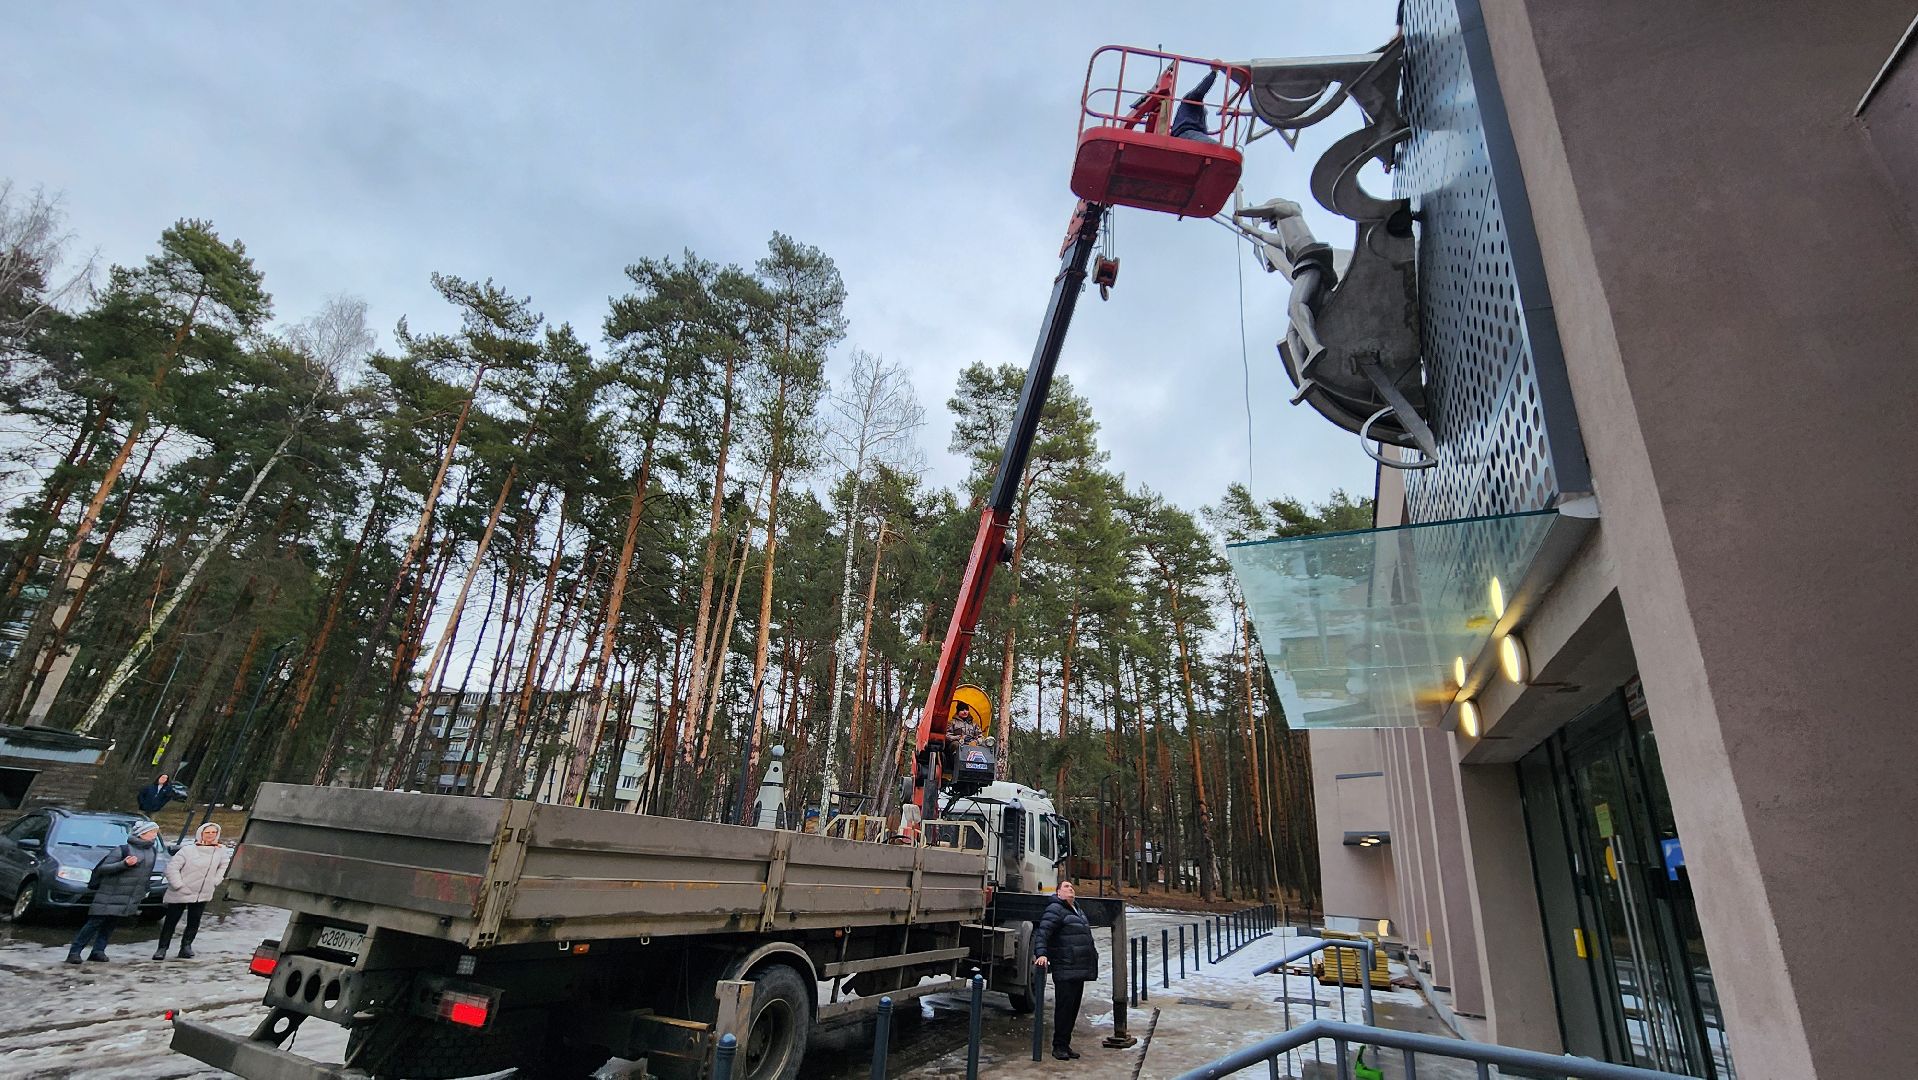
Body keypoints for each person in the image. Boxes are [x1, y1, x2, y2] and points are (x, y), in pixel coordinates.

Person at [65, 820, 160, 964]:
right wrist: (124, 864)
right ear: (142, 834)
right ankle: (75, 952)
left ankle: (98, 951)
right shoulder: (122, 849)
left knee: (110, 924)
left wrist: (143, 891)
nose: (155, 835)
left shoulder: (152, 851)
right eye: (152, 832)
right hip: (109, 894)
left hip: (128, 896)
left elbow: (146, 874)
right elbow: (104, 868)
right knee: (94, 924)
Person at [1032, 879, 1097, 1061]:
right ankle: (1058, 1046)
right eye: (1066, 887)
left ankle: (1065, 1044)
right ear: (1058, 892)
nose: (1071, 889)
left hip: (1078, 968)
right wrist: (1041, 954)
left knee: (1073, 1009)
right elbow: (1043, 932)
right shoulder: (1056, 909)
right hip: (1065, 966)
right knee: (1064, 1009)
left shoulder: (1077, 909)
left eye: (1072, 887)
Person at [154, 821, 231, 960]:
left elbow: (224, 866)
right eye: (208, 832)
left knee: (194, 921)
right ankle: (162, 948)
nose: (211, 835)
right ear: (200, 834)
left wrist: (215, 880)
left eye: (214, 832)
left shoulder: (220, 851)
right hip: (181, 891)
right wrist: (178, 885)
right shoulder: (188, 850)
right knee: (171, 921)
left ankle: (186, 947)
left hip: (203, 892)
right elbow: (172, 868)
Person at [1171, 68, 1221, 143]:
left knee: (1214, 147)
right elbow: (1199, 92)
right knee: (1215, 147)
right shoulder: (1191, 99)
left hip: (1188, 133)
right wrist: (1213, 73)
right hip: (1186, 132)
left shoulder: (1191, 107)